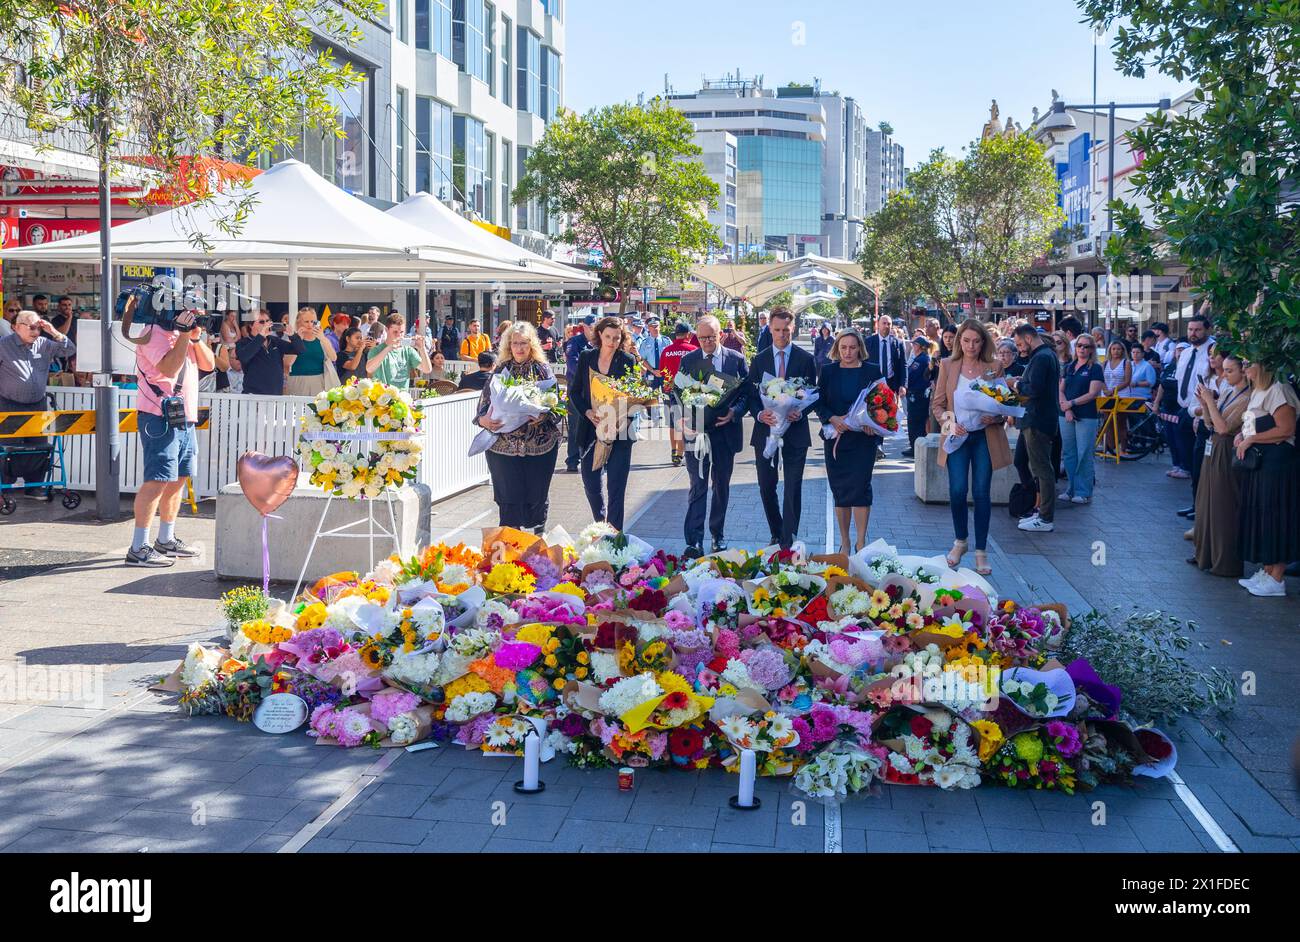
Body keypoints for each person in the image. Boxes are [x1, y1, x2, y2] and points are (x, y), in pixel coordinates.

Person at [127, 305, 213, 566]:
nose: (191, 318)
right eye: (186, 312)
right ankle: (138, 547)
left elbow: (209, 364)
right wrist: (185, 335)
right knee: (157, 479)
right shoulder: (153, 333)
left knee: (178, 478)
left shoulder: (181, 334)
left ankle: (165, 538)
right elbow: (168, 369)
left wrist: (195, 337)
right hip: (158, 416)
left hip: (184, 417)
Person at [931, 319, 1011, 575]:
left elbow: (1005, 403)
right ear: (958, 341)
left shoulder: (994, 366)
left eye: (976, 341)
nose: (971, 346)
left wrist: (997, 417)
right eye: (966, 340)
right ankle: (960, 542)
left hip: (984, 436)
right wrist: (949, 422)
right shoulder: (947, 365)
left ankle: (981, 552)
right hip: (957, 437)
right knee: (957, 490)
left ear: (983, 342)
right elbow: (938, 405)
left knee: (981, 492)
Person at [474, 322, 561, 532]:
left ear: (532, 344)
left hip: (538, 447)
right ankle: (510, 552)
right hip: (503, 447)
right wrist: (484, 420)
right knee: (508, 502)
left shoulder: (542, 369)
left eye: (523, 343)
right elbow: (482, 408)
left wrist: (543, 414)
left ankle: (537, 548)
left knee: (536, 499)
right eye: (515, 343)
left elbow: (558, 407)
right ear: (508, 345)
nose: (519, 348)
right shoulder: (502, 369)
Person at [677, 314, 747, 555]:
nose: (706, 341)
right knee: (697, 485)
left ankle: (718, 535)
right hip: (696, 433)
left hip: (725, 433)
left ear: (721, 335)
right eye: (702, 337)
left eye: (711, 337)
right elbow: (679, 394)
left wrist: (734, 412)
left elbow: (748, 394)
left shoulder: (735, 360)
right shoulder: (688, 359)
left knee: (721, 486)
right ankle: (694, 539)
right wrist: (683, 419)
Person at [747, 308, 816, 549]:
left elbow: (811, 393)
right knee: (766, 485)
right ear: (770, 329)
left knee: (793, 485)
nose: (781, 335)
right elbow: (751, 395)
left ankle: (788, 538)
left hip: (796, 434)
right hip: (766, 432)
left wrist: (801, 411)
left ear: (793, 328)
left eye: (786, 330)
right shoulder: (759, 359)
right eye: (776, 330)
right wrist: (759, 413)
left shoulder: (806, 359)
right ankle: (776, 531)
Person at [818, 329, 885, 553]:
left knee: (861, 489)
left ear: (860, 349)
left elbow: (882, 404)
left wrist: (873, 422)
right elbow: (819, 403)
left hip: (863, 441)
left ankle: (861, 542)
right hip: (837, 440)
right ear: (837, 348)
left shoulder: (872, 370)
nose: (848, 352)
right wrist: (832, 418)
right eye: (843, 347)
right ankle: (845, 542)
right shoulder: (828, 371)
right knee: (841, 491)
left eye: (852, 347)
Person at [569, 316, 639, 530]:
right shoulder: (586, 357)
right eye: (608, 336)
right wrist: (588, 411)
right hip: (591, 430)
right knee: (590, 482)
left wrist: (620, 419)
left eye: (616, 338)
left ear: (622, 338)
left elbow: (634, 397)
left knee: (616, 486)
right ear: (599, 334)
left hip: (620, 432)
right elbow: (575, 392)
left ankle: (615, 531)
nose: (612, 342)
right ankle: (600, 525)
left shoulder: (628, 360)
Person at [1235, 365, 1299, 597]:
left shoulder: (1278, 389)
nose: (1244, 368)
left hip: (1277, 464)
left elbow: (1286, 428)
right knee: (1261, 516)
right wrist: (1242, 436)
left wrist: (1250, 439)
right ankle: (1267, 569)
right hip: (1259, 464)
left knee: (1275, 516)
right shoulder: (1258, 391)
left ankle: (1277, 577)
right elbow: (1254, 424)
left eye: (1247, 363)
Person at [0, 310, 75, 496]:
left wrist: (53, 331)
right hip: (10, 404)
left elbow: (69, 349)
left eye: (38, 327)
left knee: (39, 446)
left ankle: (34, 486)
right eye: (31, 327)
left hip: (37, 404)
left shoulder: (44, 344)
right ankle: (4, 490)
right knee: (8, 448)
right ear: (16, 327)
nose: (36, 332)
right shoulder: (3, 345)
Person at [1190, 355, 1250, 577]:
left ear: (1243, 372)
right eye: (1223, 371)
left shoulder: (1246, 398)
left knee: (1222, 504)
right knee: (1205, 502)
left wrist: (1210, 404)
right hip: (1213, 445)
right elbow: (1210, 423)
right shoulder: (1229, 391)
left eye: (1230, 371)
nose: (1225, 375)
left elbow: (1224, 427)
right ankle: (1205, 553)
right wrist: (1205, 404)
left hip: (1226, 449)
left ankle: (1224, 560)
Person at [1012, 323, 1062, 532]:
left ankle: (1045, 517)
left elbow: (1034, 389)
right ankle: (1039, 511)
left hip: (1037, 420)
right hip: (1035, 418)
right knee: (1024, 462)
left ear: (1028, 338)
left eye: (1019, 343)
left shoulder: (1042, 357)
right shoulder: (1045, 355)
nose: (1019, 348)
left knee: (1042, 468)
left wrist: (1016, 385)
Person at [1058, 332, 1105, 505]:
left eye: (1086, 346)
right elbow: (1060, 389)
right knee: (1069, 453)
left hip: (1086, 415)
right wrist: (1066, 406)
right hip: (1066, 414)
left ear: (1092, 349)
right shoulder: (1070, 366)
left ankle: (1084, 491)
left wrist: (1071, 403)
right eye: (1079, 345)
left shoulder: (1095, 368)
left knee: (1084, 452)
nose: (1082, 349)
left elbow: (1093, 393)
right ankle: (1071, 488)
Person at [659, 322, 698, 466]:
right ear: (688, 334)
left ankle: (674, 451)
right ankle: (681, 454)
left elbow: (662, 371)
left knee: (672, 424)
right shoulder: (694, 350)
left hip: (669, 391)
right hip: (687, 393)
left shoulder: (666, 350)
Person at [562, 315, 596, 473]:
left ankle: (591, 456)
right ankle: (573, 459)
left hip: (595, 390)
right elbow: (572, 365)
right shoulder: (574, 342)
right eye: (591, 327)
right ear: (584, 327)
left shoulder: (599, 343)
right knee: (576, 424)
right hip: (578, 390)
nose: (593, 330)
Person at [235, 310, 296, 395]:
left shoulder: (274, 340)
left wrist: (293, 335)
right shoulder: (243, 343)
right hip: (253, 396)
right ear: (251, 325)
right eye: (261, 322)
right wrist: (261, 336)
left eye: (267, 321)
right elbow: (244, 357)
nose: (266, 324)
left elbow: (299, 349)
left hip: (275, 395)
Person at [282, 307, 338, 396]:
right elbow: (287, 363)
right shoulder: (292, 339)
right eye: (306, 321)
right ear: (299, 323)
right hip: (297, 381)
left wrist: (322, 338)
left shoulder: (322, 339)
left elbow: (333, 357)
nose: (310, 325)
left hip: (319, 381)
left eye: (312, 321)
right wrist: (298, 340)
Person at [367, 313, 432, 389]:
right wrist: (388, 348)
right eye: (395, 332)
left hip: (403, 398)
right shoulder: (377, 349)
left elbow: (427, 369)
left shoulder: (408, 350)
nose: (399, 335)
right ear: (386, 330)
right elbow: (369, 369)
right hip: (383, 397)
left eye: (401, 332)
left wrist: (422, 348)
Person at [902, 335, 935, 458]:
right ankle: (915, 445)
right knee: (917, 421)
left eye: (915, 344)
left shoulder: (921, 360)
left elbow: (911, 376)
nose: (913, 346)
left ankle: (915, 446)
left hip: (917, 395)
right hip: (917, 394)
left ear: (920, 347)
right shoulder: (922, 358)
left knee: (915, 422)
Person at [1100, 340, 1133, 456]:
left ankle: (1123, 448)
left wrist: (1113, 391)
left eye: (1118, 349)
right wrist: (1105, 390)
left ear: (1123, 350)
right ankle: (1110, 446)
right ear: (1110, 350)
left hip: (1121, 395)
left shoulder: (1126, 363)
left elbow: (1127, 381)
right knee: (1107, 422)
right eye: (1113, 349)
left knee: (1121, 422)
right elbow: (1101, 379)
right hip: (1106, 396)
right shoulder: (1105, 363)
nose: (1116, 351)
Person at [866, 314, 907, 395]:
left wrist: (903, 385)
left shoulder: (898, 343)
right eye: (884, 323)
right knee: (875, 407)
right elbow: (864, 362)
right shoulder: (869, 342)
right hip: (874, 384)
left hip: (891, 383)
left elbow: (903, 365)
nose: (886, 326)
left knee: (890, 407)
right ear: (878, 325)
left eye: (889, 324)